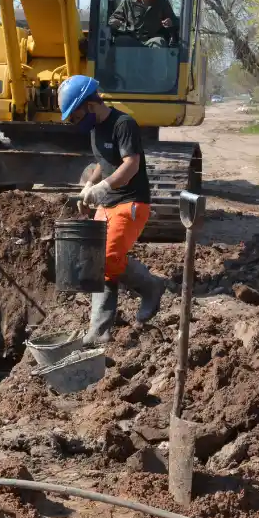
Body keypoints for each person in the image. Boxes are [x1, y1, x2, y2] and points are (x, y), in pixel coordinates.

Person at [59, 75, 166, 344]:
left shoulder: (123, 124)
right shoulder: (96, 129)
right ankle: (99, 333)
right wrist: (89, 186)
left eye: (75, 116)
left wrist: (104, 187)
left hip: (131, 202)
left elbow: (130, 164)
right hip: (107, 203)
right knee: (98, 262)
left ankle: (151, 286)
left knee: (107, 257)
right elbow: (102, 162)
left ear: (90, 105)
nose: (74, 122)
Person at [108, 0, 177, 47]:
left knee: (159, 42)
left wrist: (170, 22)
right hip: (132, 38)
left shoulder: (162, 1)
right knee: (121, 40)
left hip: (152, 38)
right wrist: (116, 22)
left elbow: (175, 21)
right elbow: (113, 19)